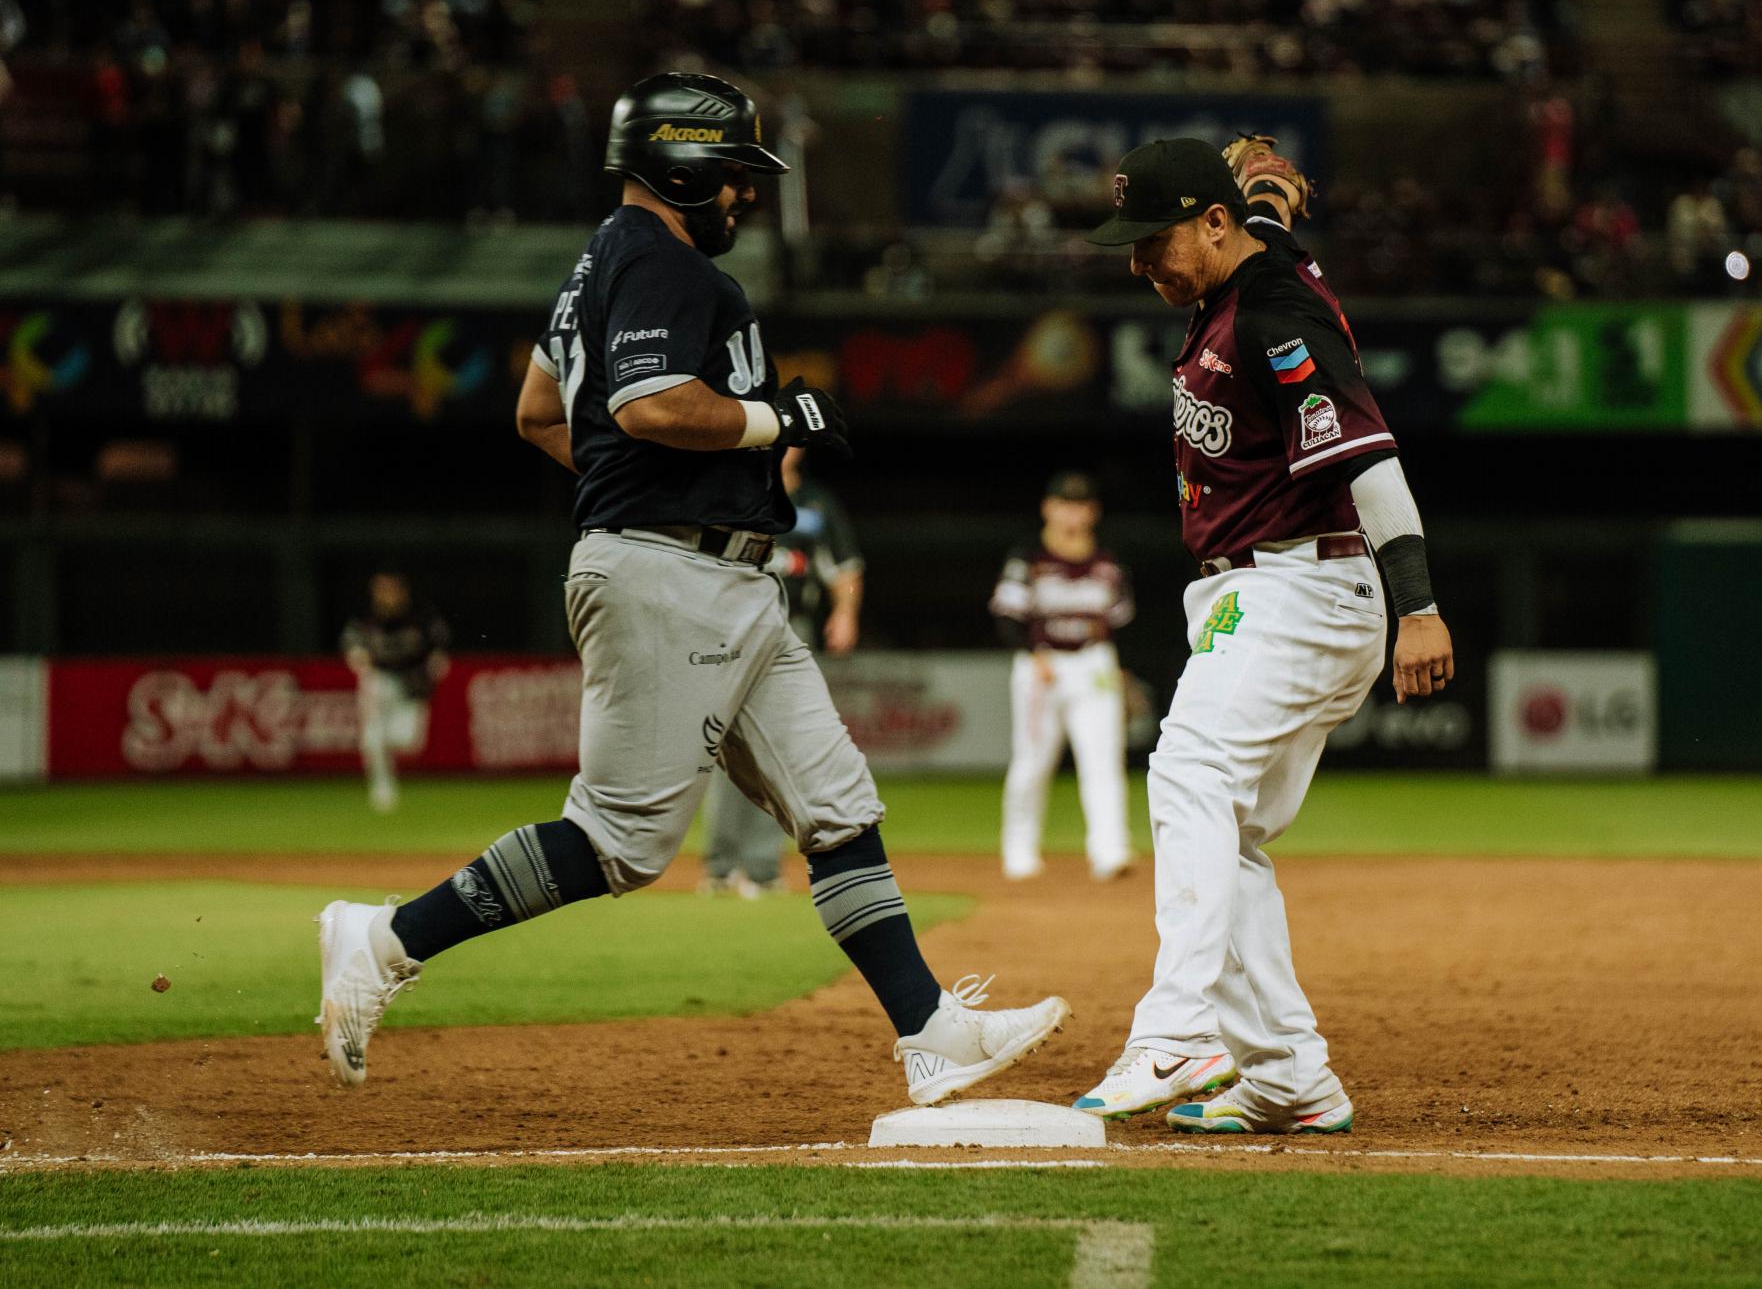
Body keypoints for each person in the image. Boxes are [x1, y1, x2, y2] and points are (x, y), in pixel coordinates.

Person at [316, 73, 1067, 1106]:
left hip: (719, 574)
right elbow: (653, 403)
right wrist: (774, 422)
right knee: (619, 842)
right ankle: (386, 938)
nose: (742, 197)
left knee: (836, 804)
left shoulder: (599, 263)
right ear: (679, 168)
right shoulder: (660, 260)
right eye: (731, 177)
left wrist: (647, 486)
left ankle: (929, 1030)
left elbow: (543, 412)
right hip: (672, 573)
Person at [1069, 136, 1454, 1134]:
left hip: (1298, 587)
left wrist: (1418, 606)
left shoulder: (1276, 314)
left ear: (1209, 223)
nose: (1138, 263)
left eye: (1152, 239)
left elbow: (1368, 460)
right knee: (1224, 830)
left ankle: (1176, 1030)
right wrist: (1272, 191)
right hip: (1260, 593)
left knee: (1188, 772)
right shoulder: (1247, 265)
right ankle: (1287, 1076)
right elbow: (1267, 221)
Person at [699, 445, 864, 897]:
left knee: (780, 748)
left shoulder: (815, 504)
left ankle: (761, 867)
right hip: (729, 631)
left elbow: (845, 566)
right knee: (724, 745)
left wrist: (845, 612)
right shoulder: (732, 491)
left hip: (790, 627)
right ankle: (719, 866)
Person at [988, 471, 1135, 882]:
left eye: (1081, 506)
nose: (1073, 514)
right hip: (1042, 665)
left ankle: (1110, 851)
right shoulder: (1028, 558)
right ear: (1048, 508)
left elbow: (1121, 620)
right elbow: (1006, 615)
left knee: (1103, 761)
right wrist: (1032, 652)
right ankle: (1019, 851)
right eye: (1065, 504)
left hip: (1094, 664)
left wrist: (1118, 668)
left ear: (1093, 512)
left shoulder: (1107, 561)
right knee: (1032, 762)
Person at [341, 570, 449, 813]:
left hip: (413, 682)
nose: (385, 595)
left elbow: (438, 643)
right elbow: (351, 641)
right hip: (380, 677)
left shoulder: (421, 615)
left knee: (409, 741)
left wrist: (436, 661)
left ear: (402, 591)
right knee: (372, 736)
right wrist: (357, 655)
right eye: (381, 589)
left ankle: (381, 747)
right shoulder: (365, 616)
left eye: (390, 589)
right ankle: (382, 786)